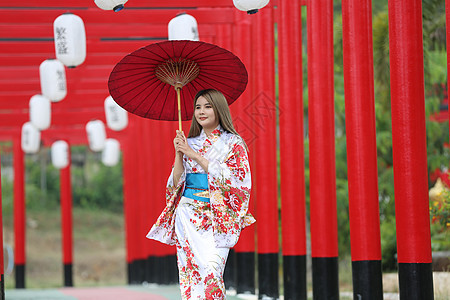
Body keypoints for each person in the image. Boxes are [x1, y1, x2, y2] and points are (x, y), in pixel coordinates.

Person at [146, 89, 255, 299]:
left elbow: (236, 180)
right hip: (188, 216)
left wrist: (192, 154)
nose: (201, 112)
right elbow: (175, 184)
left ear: (219, 109)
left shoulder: (233, 143)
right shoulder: (189, 143)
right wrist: (179, 154)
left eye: (207, 106)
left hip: (217, 217)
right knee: (192, 278)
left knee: (212, 273)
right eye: (197, 107)